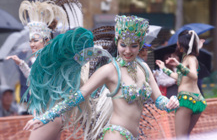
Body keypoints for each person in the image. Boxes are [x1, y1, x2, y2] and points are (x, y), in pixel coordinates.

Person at [23, 15, 179, 140]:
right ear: (117, 43)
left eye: (133, 46)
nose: (127, 51)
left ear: (140, 46)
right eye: (123, 45)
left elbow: (159, 100)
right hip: (116, 134)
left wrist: (171, 102)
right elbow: (78, 96)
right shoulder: (110, 70)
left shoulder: (144, 69)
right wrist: (46, 117)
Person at [6, 0, 83, 140]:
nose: (32, 44)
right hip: (46, 115)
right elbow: (36, 81)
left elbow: (52, 88)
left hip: (50, 116)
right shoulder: (40, 61)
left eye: (35, 40)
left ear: (46, 40)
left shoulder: (51, 61)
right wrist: (21, 64)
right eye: (30, 41)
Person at [156, 30, 207, 139]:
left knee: (181, 137)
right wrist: (164, 68)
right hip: (197, 100)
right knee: (185, 136)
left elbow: (194, 75)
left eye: (179, 42)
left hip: (186, 100)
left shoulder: (190, 58)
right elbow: (179, 78)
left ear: (183, 44)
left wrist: (178, 65)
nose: (177, 44)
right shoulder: (187, 58)